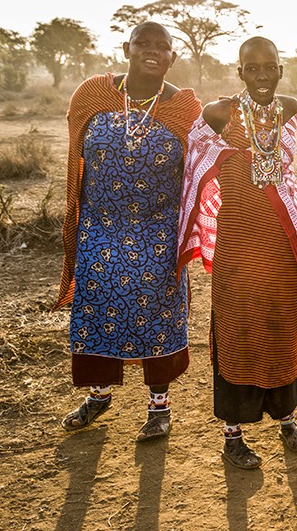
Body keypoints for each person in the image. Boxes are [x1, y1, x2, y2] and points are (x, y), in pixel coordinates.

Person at [55, 22, 201, 441]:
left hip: (158, 235)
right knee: (96, 310)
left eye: (162, 47)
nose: (152, 52)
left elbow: (201, 167)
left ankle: (160, 408)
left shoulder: (184, 107)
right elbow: (75, 154)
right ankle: (98, 396)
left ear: (173, 56)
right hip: (98, 232)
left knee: (159, 316)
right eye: (143, 44)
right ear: (127, 48)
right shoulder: (94, 95)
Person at [177, 37, 297, 469]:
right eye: (252, 68)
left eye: (269, 66)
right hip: (237, 242)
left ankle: (286, 420)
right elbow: (195, 158)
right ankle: (232, 437)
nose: (262, 76)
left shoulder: (289, 107)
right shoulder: (220, 113)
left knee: (282, 325)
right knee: (236, 328)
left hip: (280, 241)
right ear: (240, 73)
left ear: (280, 68)